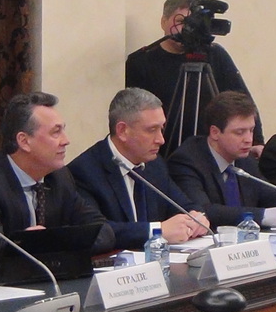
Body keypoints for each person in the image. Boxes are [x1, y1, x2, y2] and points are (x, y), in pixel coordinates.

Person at [0, 93, 114, 276]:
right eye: (56, 132)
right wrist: (40, 244)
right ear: (24, 141)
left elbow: (103, 231)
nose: (66, 140)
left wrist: (48, 242)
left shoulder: (59, 179)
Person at [125, 0, 264, 157]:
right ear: (163, 21)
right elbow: (132, 113)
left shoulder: (214, 54)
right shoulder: (141, 61)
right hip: (162, 150)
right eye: (181, 21)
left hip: (211, 149)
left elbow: (242, 100)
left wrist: (256, 141)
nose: (187, 29)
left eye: (192, 23)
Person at [69, 88, 209, 249]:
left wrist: (197, 217)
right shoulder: (84, 171)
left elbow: (184, 204)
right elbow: (97, 232)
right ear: (122, 131)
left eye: (161, 128)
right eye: (152, 130)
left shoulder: (154, 164)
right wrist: (157, 231)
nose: (161, 140)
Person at [169, 92, 276, 228]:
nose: (249, 139)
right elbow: (203, 211)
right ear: (215, 132)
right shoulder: (187, 161)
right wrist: (270, 215)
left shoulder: (245, 160)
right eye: (239, 132)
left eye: (251, 130)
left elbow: (269, 194)